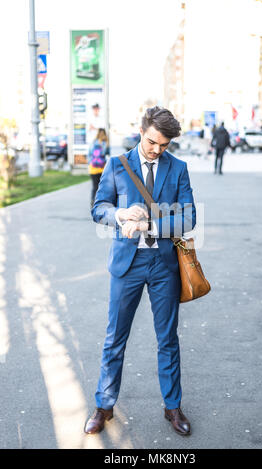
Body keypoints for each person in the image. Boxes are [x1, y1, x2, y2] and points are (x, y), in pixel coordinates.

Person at [85, 107, 196, 437]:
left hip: (164, 267)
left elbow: (189, 219)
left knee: (167, 340)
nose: (156, 150)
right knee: (114, 339)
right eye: (152, 142)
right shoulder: (118, 165)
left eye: (164, 145)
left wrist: (152, 224)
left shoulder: (178, 169)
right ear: (141, 129)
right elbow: (98, 208)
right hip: (127, 265)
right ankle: (104, 405)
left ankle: (172, 407)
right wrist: (119, 215)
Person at [88, 128, 108, 208]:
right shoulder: (105, 143)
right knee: (102, 187)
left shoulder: (93, 142)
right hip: (102, 169)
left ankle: (93, 202)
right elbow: (106, 155)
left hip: (93, 169)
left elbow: (89, 155)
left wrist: (91, 164)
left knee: (94, 186)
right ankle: (100, 203)